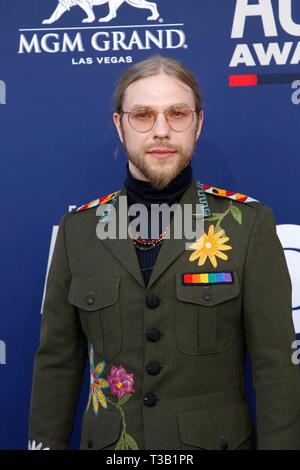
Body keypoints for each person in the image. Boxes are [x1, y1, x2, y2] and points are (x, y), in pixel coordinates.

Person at [28, 54, 300, 450]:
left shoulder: (247, 225)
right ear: (119, 125)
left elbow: (277, 368)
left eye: (177, 113)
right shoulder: (79, 231)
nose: (161, 131)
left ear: (198, 123)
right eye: (142, 115)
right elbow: (57, 363)